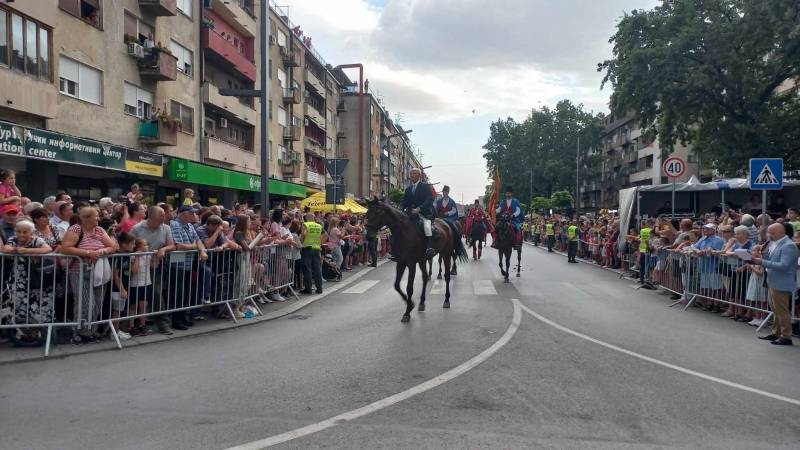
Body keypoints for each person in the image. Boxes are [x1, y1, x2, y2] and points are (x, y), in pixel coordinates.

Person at [60, 206, 119, 344]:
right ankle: (79, 332)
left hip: (99, 272)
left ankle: (90, 331)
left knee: (97, 303)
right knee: (85, 303)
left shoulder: (99, 230)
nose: (98, 218)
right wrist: (88, 253)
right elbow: (66, 248)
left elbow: (112, 247)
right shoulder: (76, 229)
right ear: (85, 218)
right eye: (95, 216)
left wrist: (101, 251)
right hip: (79, 271)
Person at [2, 220, 54, 345]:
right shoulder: (13, 240)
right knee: (19, 307)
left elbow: (47, 249)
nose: (21, 234)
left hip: (37, 279)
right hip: (19, 280)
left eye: (25, 232)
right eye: (19, 231)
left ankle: (39, 334)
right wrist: (16, 249)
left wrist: (26, 251)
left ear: (32, 232)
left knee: (39, 307)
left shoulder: (37, 240)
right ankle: (24, 335)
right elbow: (6, 248)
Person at [131, 206, 176, 335]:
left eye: (164, 214)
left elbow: (172, 245)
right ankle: (132, 324)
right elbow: (127, 246)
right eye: (160, 215)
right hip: (139, 266)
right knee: (137, 296)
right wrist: (141, 255)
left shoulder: (166, 228)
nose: (164, 217)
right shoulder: (137, 228)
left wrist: (163, 250)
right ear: (150, 216)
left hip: (157, 266)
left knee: (157, 293)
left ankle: (163, 323)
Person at [752, 223, 798, 346]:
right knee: (775, 309)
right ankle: (776, 332)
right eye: (769, 232)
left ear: (781, 233)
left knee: (782, 311)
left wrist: (762, 261)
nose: (769, 235)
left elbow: (784, 265)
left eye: (772, 233)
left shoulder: (788, 246)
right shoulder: (775, 243)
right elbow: (772, 260)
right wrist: (761, 254)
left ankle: (786, 336)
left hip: (781, 282)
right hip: (773, 280)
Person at [168, 205, 208, 329]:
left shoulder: (190, 226)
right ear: (183, 214)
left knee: (185, 293)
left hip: (188, 265)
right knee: (177, 294)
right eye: (191, 213)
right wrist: (194, 246)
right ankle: (176, 320)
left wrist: (202, 251)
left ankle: (183, 317)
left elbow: (198, 241)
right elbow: (179, 245)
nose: (194, 215)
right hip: (176, 265)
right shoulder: (174, 225)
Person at [401, 167, 435, 257]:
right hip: (410, 214)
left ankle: (429, 247)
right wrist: (402, 210)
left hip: (424, 213)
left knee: (427, 226)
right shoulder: (408, 189)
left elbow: (429, 199)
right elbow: (404, 202)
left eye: (414, 173)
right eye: (411, 173)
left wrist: (419, 208)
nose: (411, 175)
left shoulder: (425, 186)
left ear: (419, 175)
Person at [300, 213, 325, 294]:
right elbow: (326, 235)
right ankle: (319, 288)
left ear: (307, 218)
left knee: (307, 269)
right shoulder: (319, 226)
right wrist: (320, 243)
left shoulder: (306, 224)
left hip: (307, 248)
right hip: (316, 248)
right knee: (317, 269)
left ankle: (308, 288)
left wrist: (301, 242)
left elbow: (303, 234)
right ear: (314, 218)